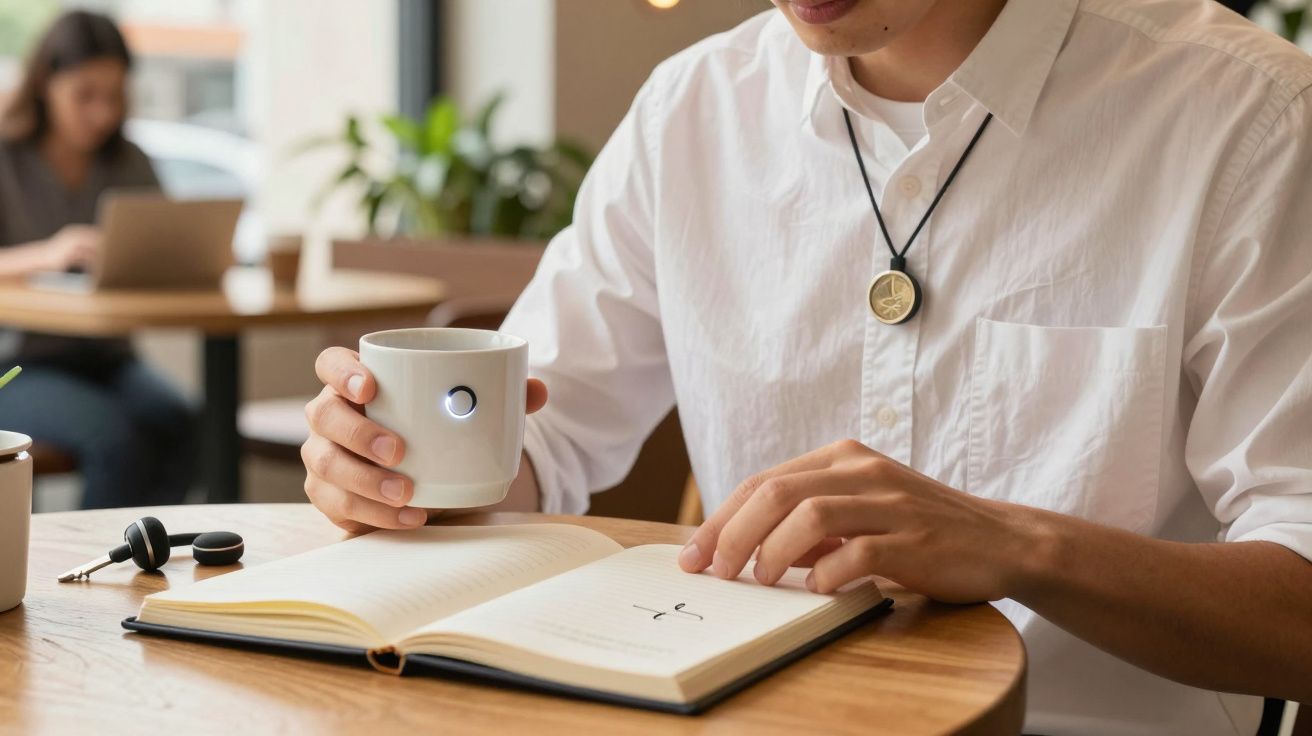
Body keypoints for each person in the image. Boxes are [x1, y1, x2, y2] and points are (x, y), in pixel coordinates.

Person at [300, 0, 1312, 732]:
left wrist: (1015, 544)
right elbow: (539, 439)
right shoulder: (693, 112)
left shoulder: (1248, 118)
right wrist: (398, 469)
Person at [0, 11, 196, 509]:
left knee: (182, 422)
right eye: (84, 94)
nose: (102, 112)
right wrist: (47, 254)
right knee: (115, 437)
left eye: (114, 95)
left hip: (108, 358)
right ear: (46, 84)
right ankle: (94, 570)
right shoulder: (7, 156)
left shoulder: (129, 162)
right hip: (19, 365)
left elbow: (169, 244)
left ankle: (154, 557)